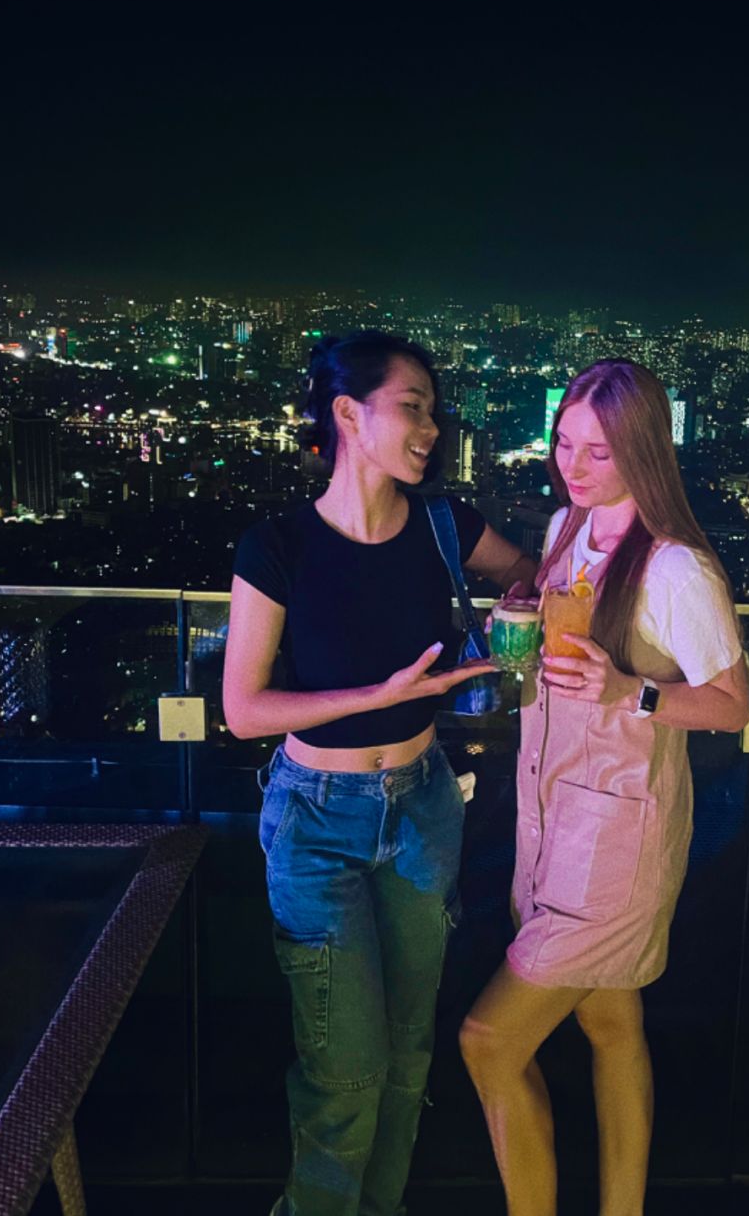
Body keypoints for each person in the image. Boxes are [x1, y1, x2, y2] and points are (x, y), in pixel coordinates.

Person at [223, 330, 537, 1216]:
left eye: (434, 409)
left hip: (425, 802)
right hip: (317, 815)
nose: (431, 426)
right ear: (350, 414)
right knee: (346, 1069)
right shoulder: (278, 543)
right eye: (413, 405)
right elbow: (244, 708)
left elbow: (529, 576)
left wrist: (516, 618)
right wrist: (382, 691)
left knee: (407, 1058)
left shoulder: (445, 526)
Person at [460, 358, 749, 1216]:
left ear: (643, 454)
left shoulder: (674, 568)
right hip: (550, 820)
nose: (572, 466)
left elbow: (732, 705)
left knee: (488, 1041)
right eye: (564, 444)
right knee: (610, 1023)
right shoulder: (565, 527)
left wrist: (636, 690)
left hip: (617, 845)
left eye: (598, 453)